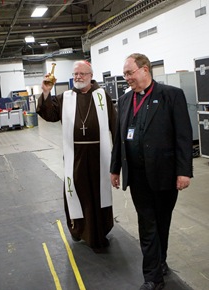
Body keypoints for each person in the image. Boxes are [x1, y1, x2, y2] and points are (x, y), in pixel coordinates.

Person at [110, 53, 193, 290]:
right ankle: (152, 278)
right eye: (125, 74)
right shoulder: (125, 101)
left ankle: (160, 261)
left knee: (162, 222)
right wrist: (115, 169)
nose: (127, 78)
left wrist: (183, 171)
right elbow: (119, 139)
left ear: (145, 70)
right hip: (137, 177)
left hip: (165, 174)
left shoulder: (170, 95)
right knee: (147, 224)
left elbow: (183, 137)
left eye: (130, 73)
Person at [37, 60, 117, 252]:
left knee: (98, 194)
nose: (78, 77)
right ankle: (80, 229)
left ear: (91, 75)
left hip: (99, 155)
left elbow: (115, 124)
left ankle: (99, 231)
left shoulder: (101, 96)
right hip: (76, 157)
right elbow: (49, 114)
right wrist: (46, 92)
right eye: (75, 75)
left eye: (82, 74)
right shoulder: (65, 97)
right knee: (76, 192)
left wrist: (117, 157)